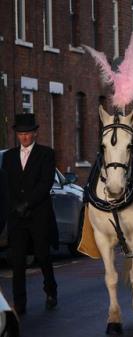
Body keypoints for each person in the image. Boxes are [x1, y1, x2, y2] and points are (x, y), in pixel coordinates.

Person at [2, 114, 58, 315]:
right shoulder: (8, 157)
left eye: (27, 133)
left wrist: (27, 203)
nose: (24, 137)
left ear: (35, 133)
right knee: (17, 262)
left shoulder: (46, 154)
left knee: (43, 256)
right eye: (21, 134)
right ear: (17, 135)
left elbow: (46, 183)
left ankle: (51, 290)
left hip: (38, 215)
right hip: (17, 217)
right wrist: (14, 206)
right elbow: (6, 185)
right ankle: (20, 303)